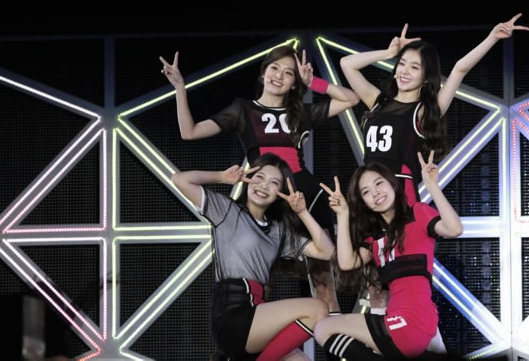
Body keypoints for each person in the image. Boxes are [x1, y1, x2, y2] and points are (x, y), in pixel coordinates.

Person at [160, 46, 360, 315]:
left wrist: (314, 82)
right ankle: (257, 335)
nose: (279, 76)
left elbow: (351, 99)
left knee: (323, 284)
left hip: (306, 198)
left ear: (294, 83)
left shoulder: (301, 112)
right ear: (263, 72)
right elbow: (190, 131)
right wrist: (179, 88)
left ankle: (332, 337)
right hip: (266, 199)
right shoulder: (243, 110)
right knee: (258, 280)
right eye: (275, 68)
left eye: (288, 73)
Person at [340, 14, 529, 206]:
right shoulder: (377, 101)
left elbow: (459, 69)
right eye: (402, 64)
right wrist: (389, 53)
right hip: (370, 195)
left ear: (426, 77)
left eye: (414, 67)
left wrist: (492, 37)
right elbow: (347, 64)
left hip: (400, 197)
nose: (404, 71)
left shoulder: (423, 111)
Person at [172, 153, 335, 360]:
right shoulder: (227, 211)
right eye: (259, 177)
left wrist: (302, 212)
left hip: (258, 316)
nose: (264, 186)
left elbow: (327, 251)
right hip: (232, 315)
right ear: (248, 180)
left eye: (273, 183)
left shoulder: (279, 231)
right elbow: (179, 179)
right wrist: (222, 177)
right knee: (318, 308)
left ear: (280, 193)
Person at [313, 151, 463, 360]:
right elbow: (346, 262)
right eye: (366, 192)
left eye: (379, 183)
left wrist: (432, 187)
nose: (375, 193)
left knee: (324, 329)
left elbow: (454, 229)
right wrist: (343, 214)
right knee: (323, 329)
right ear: (363, 202)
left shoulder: (418, 214)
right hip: (394, 318)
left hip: (415, 319)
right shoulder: (376, 240)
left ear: (393, 184)